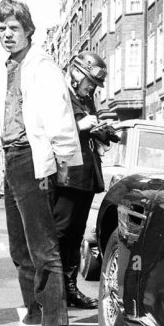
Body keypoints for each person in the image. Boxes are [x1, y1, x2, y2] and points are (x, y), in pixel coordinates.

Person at [0, 0, 83, 326]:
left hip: (32, 157)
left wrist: (60, 165)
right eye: (1, 29)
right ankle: (32, 315)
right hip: (12, 157)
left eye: (14, 28)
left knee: (43, 244)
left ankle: (57, 322)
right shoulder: (15, 65)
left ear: (29, 29)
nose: (8, 35)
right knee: (20, 246)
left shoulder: (41, 66)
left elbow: (59, 117)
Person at [56, 51, 120, 309]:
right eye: (90, 82)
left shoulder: (85, 98)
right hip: (67, 175)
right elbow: (51, 128)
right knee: (59, 232)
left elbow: (88, 130)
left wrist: (101, 131)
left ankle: (69, 290)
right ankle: (52, 293)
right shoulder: (61, 95)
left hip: (85, 175)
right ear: (76, 73)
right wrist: (80, 126)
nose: (92, 88)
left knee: (75, 234)